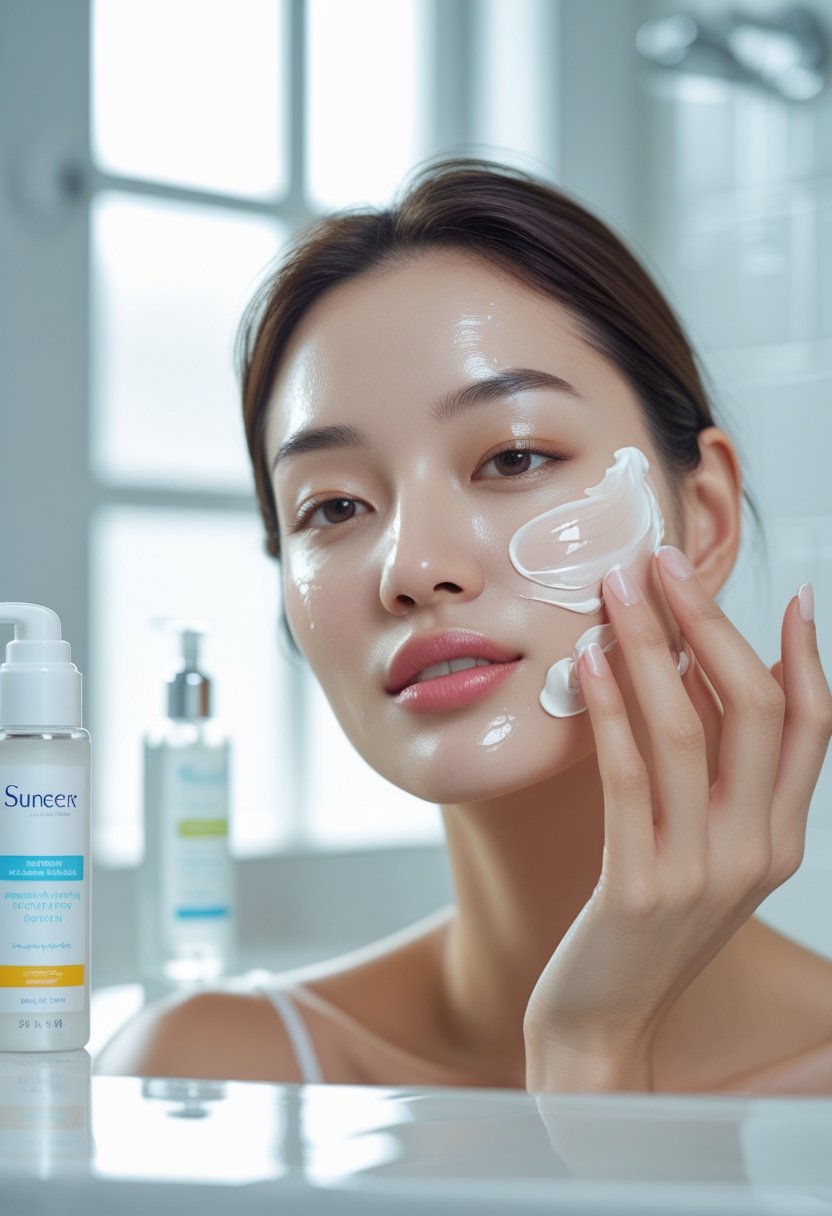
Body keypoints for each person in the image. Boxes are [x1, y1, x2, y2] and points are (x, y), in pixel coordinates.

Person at [96, 159, 832, 1094]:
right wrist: (582, 1045)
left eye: (514, 456)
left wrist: (590, 1060)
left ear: (710, 519)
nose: (412, 569)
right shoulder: (205, 1080)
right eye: (331, 509)